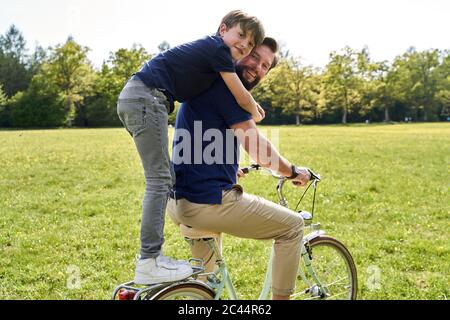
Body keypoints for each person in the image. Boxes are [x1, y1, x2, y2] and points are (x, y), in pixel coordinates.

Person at [117, 10, 265, 285]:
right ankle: (149, 260)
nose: (245, 44)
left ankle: (152, 259)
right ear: (223, 30)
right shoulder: (217, 50)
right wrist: (254, 110)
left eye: (251, 43)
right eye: (241, 35)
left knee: (164, 176)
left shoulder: (212, 58)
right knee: (159, 179)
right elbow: (240, 95)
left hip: (141, 98)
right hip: (147, 98)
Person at [167, 37, 312, 300]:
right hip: (207, 203)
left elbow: (201, 143)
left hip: (179, 201)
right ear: (238, 51)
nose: (257, 67)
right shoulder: (228, 91)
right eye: (254, 57)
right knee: (292, 227)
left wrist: (231, 170)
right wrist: (292, 171)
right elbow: (260, 150)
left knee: (204, 287)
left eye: (265, 66)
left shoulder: (206, 84)